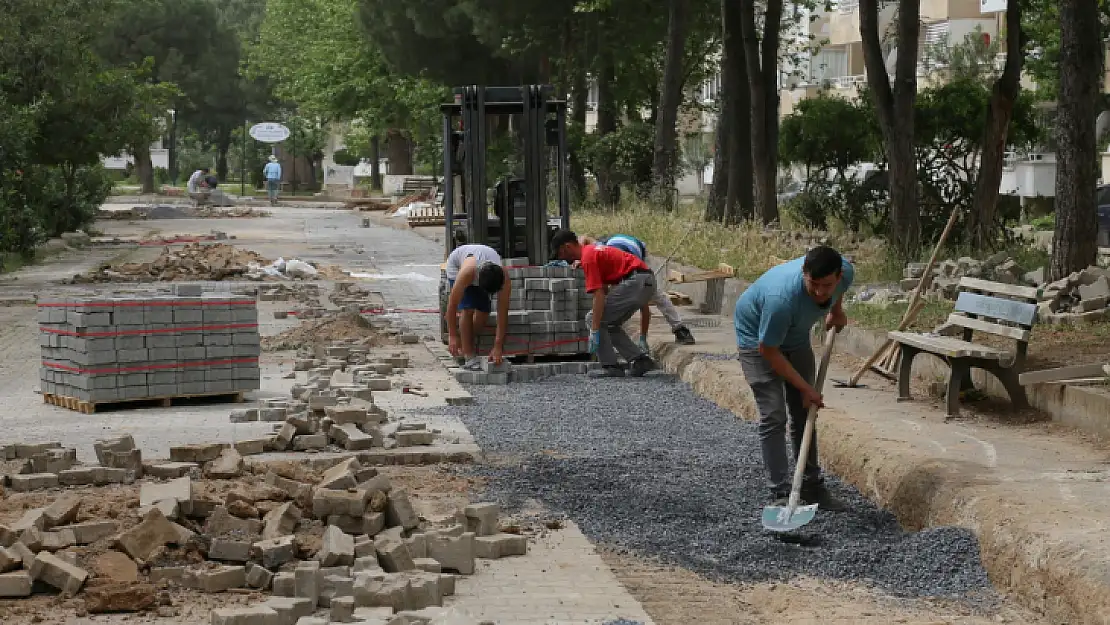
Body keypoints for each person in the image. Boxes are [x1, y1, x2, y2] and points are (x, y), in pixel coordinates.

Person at [733, 245, 853, 510]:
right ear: (803, 273)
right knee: (774, 413)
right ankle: (780, 492)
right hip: (758, 339)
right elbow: (769, 351)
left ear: (839, 275)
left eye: (828, 285)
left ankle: (810, 486)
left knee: (804, 411)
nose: (821, 292)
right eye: (814, 284)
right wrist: (805, 388)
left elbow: (839, 291)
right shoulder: (782, 300)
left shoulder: (845, 273)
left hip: (795, 338)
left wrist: (836, 310)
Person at [551, 230, 657, 378]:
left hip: (636, 282)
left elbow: (599, 296)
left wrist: (594, 330)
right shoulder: (591, 252)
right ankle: (640, 360)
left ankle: (610, 366)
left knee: (592, 318)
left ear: (568, 247)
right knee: (609, 323)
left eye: (560, 253)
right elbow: (605, 289)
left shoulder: (588, 257)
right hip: (643, 282)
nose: (561, 258)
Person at [596, 234, 696, 347]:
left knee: (656, 295)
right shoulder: (600, 259)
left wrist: (643, 337)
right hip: (623, 250)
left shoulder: (629, 268)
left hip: (637, 254)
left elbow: (643, 305)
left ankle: (680, 329)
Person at [445, 244, 511, 370]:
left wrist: (498, 346)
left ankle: (465, 340)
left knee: (483, 311)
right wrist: (452, 335)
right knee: (468, 308)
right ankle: (468, 355)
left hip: (483, 262)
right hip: (457, 265)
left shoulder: (504, 278)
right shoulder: (467, 273)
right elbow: (452, 305)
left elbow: (503, 312)